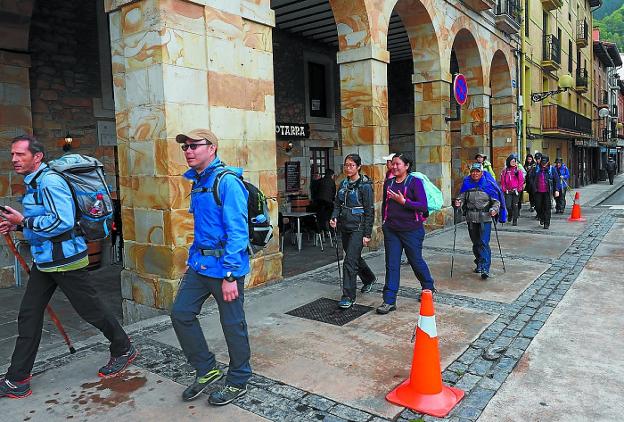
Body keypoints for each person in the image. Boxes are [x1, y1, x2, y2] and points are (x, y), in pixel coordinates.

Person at [0, 135, 135, 399]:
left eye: (20, 155)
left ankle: (123, 348)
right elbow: (45, 219)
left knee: (91, 310)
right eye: (13, 154)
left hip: (66, 260)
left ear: (37, 157)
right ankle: (18, 380)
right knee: (29, 314)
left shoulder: (50, 181)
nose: (14, 159)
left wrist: (24, 222)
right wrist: (16, 225)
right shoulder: (36, 182)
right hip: (47, 260)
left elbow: (62, 221)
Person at [170, 129, 251, 406]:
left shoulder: (227, 182)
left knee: (232, 324)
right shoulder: (199, 181)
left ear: (212, 148)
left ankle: (238, 379)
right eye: (185, 147)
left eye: (194, 146)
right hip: (200, 266)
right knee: (181, 313)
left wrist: (230, 274)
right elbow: (203, 229)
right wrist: (191, 262)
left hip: (225, 269)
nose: (188, 151)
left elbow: (238, 232)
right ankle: (206, 369)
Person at [377, 154, 435, 314]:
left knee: (415, 261)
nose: (394, 167)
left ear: (407, 166)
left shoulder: (415, 182)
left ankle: (428, 286)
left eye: (398, 164)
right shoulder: (388, 182)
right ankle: (388, 300)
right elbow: (385, 204)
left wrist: (404, 202)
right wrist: (384, 222)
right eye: (393, 164)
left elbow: (423, 206)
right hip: (392, 230)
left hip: (412, 230)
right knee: (392, 264)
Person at [330, 154, 376, 309]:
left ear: (358, 167)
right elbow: (337, 203)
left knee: (349, 261)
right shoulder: (342, 184)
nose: (348, 168)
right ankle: (369, 278)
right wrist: (334, 217)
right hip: (345, 226)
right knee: (354, 256)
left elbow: (370, 211)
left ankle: (348, 295)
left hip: (358, 227)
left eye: (351, 165)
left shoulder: (365, 186)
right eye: (346, 165)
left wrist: (367, 233)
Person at [455, 163, 506, 279]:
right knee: (476, 243)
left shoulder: (488, 184)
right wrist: (458, 202)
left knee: (483, 242)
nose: (475, 173)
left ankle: (485, 268)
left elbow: (496, 201)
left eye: (477, 171)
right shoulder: (467, 184)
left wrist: (494, 209)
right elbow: (461, 198)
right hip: (471, 218)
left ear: (482, 173)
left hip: (485, 218)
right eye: (473, 171)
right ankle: (478, 262)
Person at [532, 155, 556, 229]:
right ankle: (541, 217)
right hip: (538, 191)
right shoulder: (536, 169)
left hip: (547, 192)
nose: (544, 164)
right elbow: (531, 178)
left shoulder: (551, 169)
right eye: (542, 162)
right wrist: (533, 188)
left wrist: (557, 190)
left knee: (547, 207)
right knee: (538, 206)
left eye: (545, 162)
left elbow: (556, 179)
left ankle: (547, 223)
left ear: (548, 162)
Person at [499, 155, 524, 226]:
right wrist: (504, 188)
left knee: (515, 205)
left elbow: (521, 180)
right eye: (512, 161)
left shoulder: (518, 170)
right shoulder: (505, 171)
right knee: (508, 205)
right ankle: (510, 214)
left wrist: (519, 188)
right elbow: (502, 181)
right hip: (508, 191)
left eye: (514, 161)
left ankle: (515, 220)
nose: (513, 162)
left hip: (516, 191)